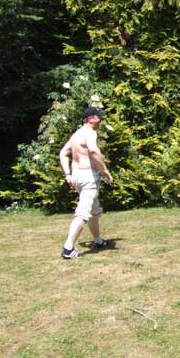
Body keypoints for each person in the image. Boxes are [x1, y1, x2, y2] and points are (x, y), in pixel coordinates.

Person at [58, 107, 114, 259]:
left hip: (77, 175)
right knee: (83, 213)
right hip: (88, 176)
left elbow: (63, 153)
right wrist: (105, 170)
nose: (100, 121)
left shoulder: (77, 134)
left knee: (94, 211)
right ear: (90, 119)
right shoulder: (90, 133)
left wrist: (68, 174)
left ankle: (98, 241)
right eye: (99, 118)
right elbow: (94, 151)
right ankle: (68, 248)